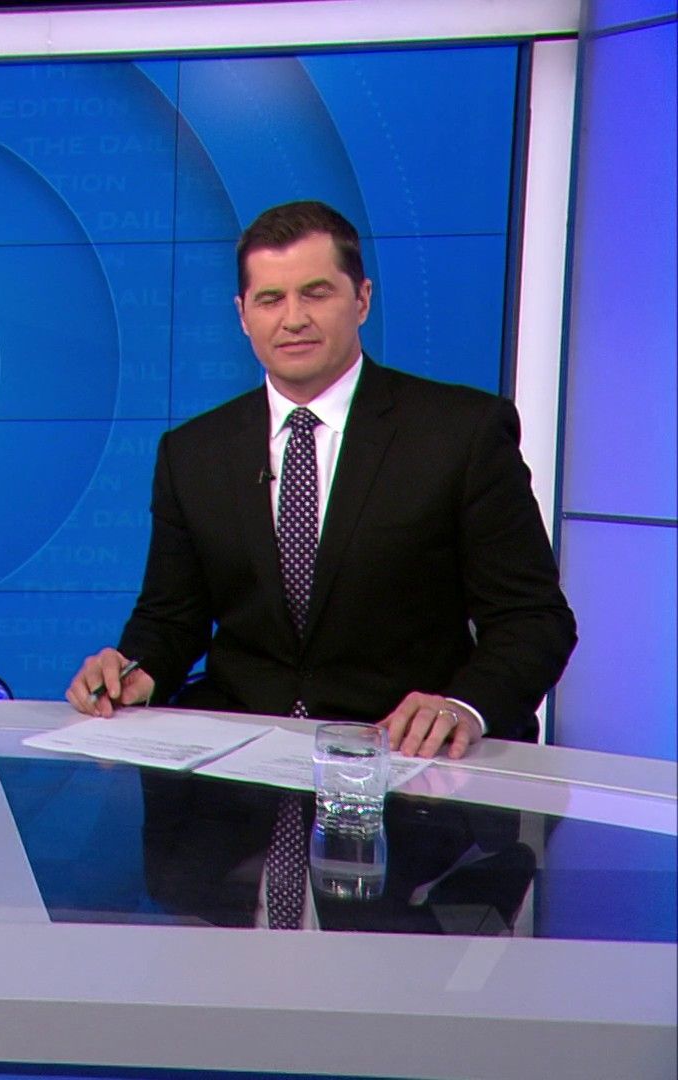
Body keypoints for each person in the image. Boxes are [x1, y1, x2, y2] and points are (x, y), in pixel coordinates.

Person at [66, 200, 575, 758]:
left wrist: (463, 706)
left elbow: (534, 620)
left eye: (316, 293)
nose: (293, 319)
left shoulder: (461, 434)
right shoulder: (192, 453)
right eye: (270, 299)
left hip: (403, 756)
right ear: (243, 315)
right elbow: (170, 619)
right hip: (242, 758)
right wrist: (134, 670)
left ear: (362, 299)